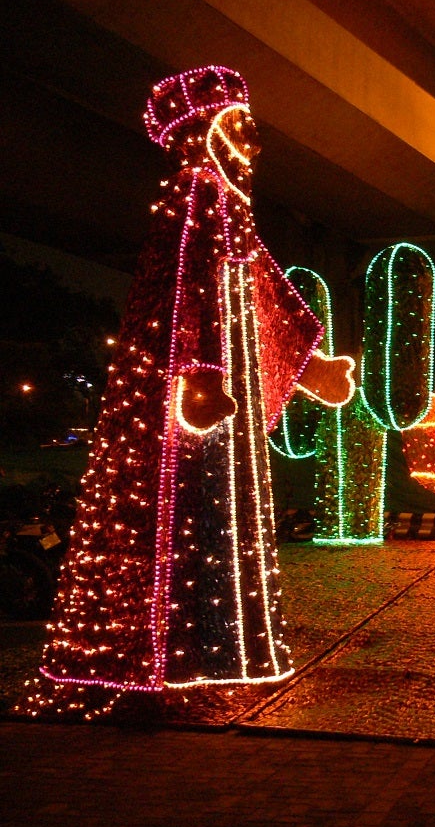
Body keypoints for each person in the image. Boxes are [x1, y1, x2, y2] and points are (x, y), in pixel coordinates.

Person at [33, 66, 353, 711]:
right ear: (202, 134)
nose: (254, 144)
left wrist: (311, 365)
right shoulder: (190, 209)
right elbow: (183, 298)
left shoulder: (235, 217)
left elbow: (271, 296)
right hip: (192, 402)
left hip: (221, 398)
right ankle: (166, 656)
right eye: (241, 127)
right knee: (181, 514)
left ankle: (224, 650)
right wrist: (201, 374)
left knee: (221, 514)